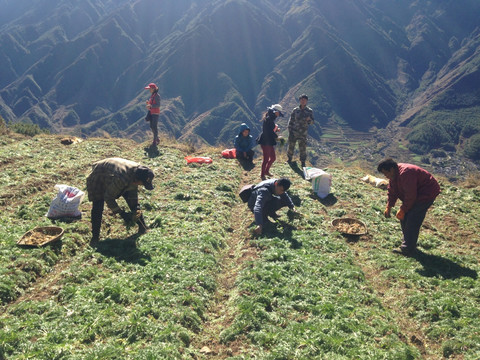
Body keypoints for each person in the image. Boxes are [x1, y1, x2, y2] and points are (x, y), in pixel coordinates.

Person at [377, 158, 440, 256]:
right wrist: (389, 206)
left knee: (412, 218)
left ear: (392, 169)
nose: (385, 176)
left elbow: (410, 196)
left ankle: (407, 249)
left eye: (386, 173)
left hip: (426, 193)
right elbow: (393, 191)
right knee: (404, 217)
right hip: (416, 194)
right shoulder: (394, 176)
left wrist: (403, 209)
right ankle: (408, 242)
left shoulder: (406, 173)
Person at [86, 157, 155, 246]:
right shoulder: (122, 178)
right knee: (98, 205)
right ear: (137, 180)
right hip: (100, 174)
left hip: (114, 173)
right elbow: (109, 197)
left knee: (131, 200)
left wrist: (136, 207)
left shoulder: (138, 172)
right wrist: (121, 213)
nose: (141, 185)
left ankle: (143, 227)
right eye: (142, 183)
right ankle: (95, 237)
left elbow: (132, 195)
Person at [256, 104, 283, 180]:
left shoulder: (270, 118)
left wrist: (276, 130)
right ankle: (262, 175)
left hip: (269, 141)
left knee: (273, 158)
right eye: (278, 113)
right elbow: (269, 131)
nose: (278, 115)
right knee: (266, 159)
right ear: (276, 112)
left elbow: (270, 130)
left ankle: (266, 171)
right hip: (265, 142)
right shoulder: (269, 119)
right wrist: (277, 137)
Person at [287, 94, 314, 168]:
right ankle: (289, 159)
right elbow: (291, 120)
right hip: (293, 132)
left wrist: (309, 120)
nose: (303, 101)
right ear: (299, 100)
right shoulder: (295, 110)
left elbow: (312, 122)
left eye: (304, 100)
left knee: (302, 148)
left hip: (303, 133)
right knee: (291, 146)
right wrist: (290, 130)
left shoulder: (309, 111)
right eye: (302, 100)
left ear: (307, 101)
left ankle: (302, 162)